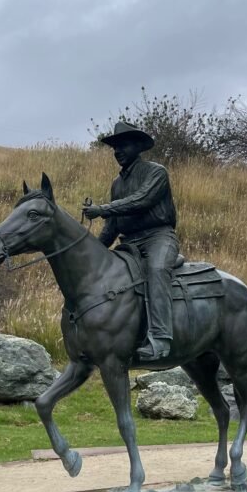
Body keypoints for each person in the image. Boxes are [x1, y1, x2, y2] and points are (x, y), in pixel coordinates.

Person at [83, 121, 179, 360]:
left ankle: (160, 339)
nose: (118, 151)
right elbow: (113, 226)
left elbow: (142, 200)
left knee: (156, 270)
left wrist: (103, 208)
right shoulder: (117, 184)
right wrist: (91, 253)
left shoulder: (156, 172)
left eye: (123, 145)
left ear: (138, 146)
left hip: (158, 237)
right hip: (129, 243)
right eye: (115, 148)